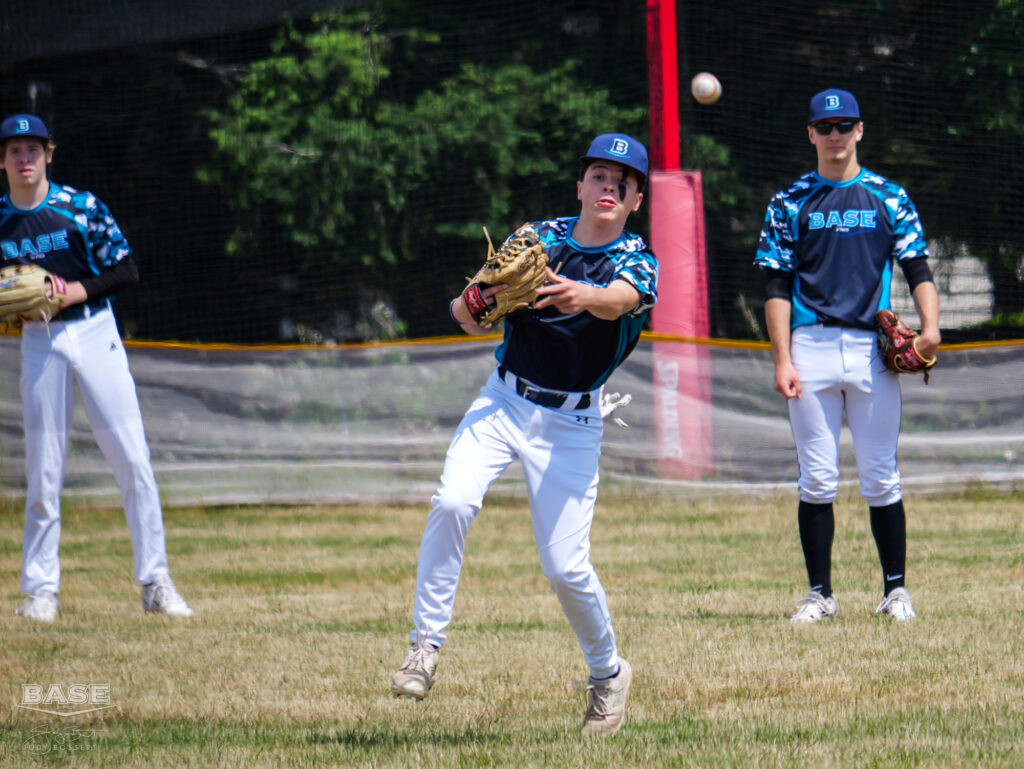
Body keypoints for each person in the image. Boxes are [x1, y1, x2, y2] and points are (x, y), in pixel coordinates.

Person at [390, 133, 658, 736]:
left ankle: (609, 674)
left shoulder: (636, 256)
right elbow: (464, 317)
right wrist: (478, 297)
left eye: (623, 181)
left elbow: (623, 299)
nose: (608, 187)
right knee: (452, 501)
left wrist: (582, 295)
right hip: (504, 398)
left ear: (636, 199)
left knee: (566, 569)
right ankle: (424, 648)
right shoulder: (536, 238)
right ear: (581, 185)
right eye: (599, 175)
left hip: (572, 421)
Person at [755, 89, 940, 624]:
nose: (835, 134)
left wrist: (931, 328)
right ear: (810, 133)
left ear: (860, 130)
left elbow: (917, 267)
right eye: (825, 126)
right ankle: (820, 595)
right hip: (809, 348)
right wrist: (781, 359)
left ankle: (895, 592)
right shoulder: (790, 202)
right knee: (817, 477)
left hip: (869, 351)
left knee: (881, 475)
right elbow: (775, 285)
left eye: (845, 124)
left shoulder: (888, 195)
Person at [0, 113, 194, 622]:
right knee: (44, 469)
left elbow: (126, 268)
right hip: (38, 340)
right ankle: (41, 591)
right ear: (2, 160)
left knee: (132, 458)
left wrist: (72, 292)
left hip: (93, 328)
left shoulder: (80, 208)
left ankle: (156, 582)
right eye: (15, 150)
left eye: (34, 149)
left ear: (49, 154)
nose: (25, 159)